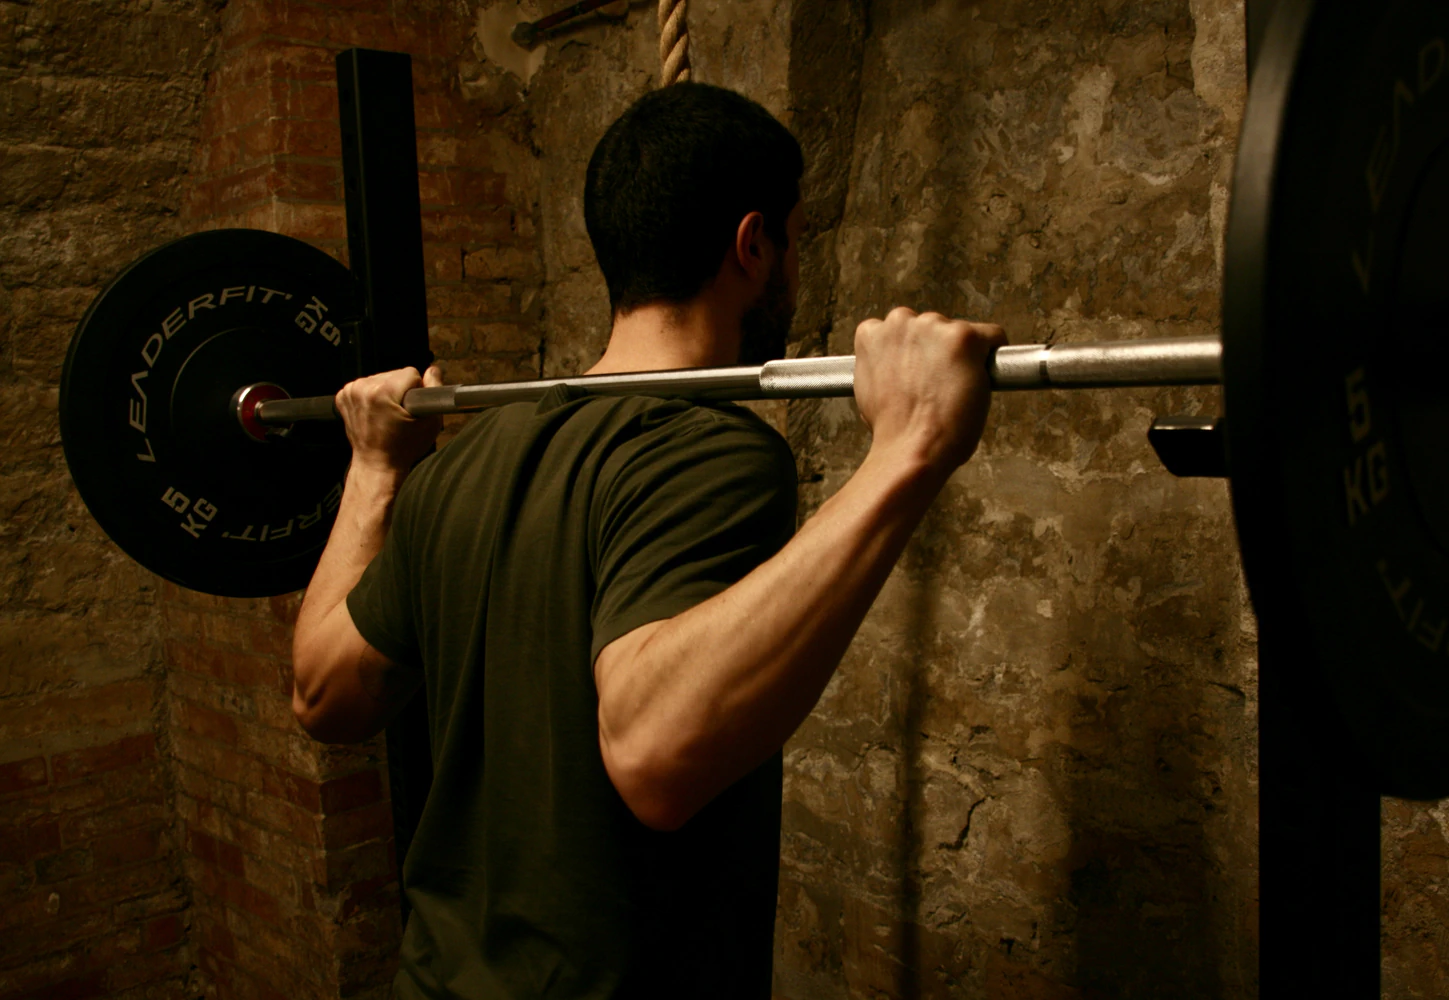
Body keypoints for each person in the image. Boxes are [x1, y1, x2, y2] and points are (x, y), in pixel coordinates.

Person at [290, 83, 1004, 999]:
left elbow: (321, 694)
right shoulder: (712, 450)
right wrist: (909, 451)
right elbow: (654, 757)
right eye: (795, 241)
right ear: (754, 245)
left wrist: (373, 472)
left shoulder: (457, 468)